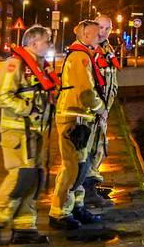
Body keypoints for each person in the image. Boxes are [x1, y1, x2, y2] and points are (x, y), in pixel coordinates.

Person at [0, 25, 58, 245]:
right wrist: (29, 109)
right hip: (18, 132)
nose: (50, 44)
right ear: (33, 43)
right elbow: (1, 97)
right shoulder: (15, 64)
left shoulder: (40, 66)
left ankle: (24, 228)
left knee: (34, 178)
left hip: (34, 132)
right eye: (47, 40)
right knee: (21, 177)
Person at [48, 20, 106, 230]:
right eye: (97, 33)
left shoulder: (83, 54)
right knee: (73, 167)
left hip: (80, 117)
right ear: (85, 35)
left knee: (81, 165)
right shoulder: (80, 57)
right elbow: (86, 92)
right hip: (74, 117)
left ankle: (75, 206)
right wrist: (101, 108)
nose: (101, 36)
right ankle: (59, 212)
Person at [81, 14, 122, 208]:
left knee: (98, 149)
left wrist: (107, 108)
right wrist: (99, 109)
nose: (103, 32)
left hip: (102, 111)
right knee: (85, 151)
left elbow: (112, 83)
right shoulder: (88, 51)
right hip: (90, 112)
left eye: (107, 28)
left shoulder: (107, 50)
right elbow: (86, 86)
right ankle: (83, 192)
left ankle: (90, 189)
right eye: (100, 27)